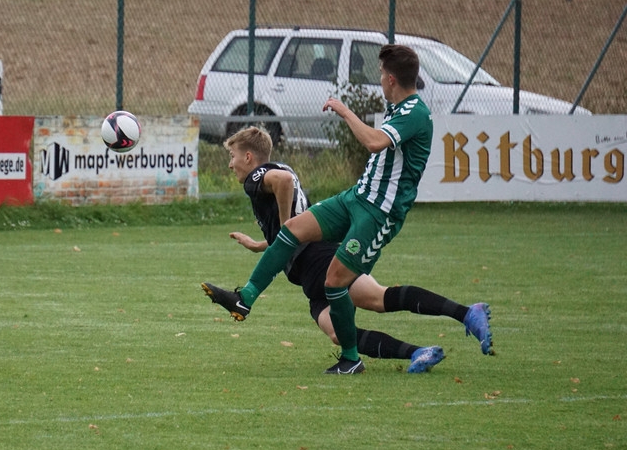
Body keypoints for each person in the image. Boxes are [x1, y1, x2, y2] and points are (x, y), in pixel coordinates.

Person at [202, 44, 473, 374]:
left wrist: (344, 111)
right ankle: (427, 343)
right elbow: (287, 225)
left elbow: (369, 144)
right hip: (339, 222)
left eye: (232, 157)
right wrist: (266, 242)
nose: (230, 164)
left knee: (351, 299)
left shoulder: (257, 176)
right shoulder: (400, 109)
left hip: (351, 231)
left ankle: (353, 357)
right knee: (364, 305)